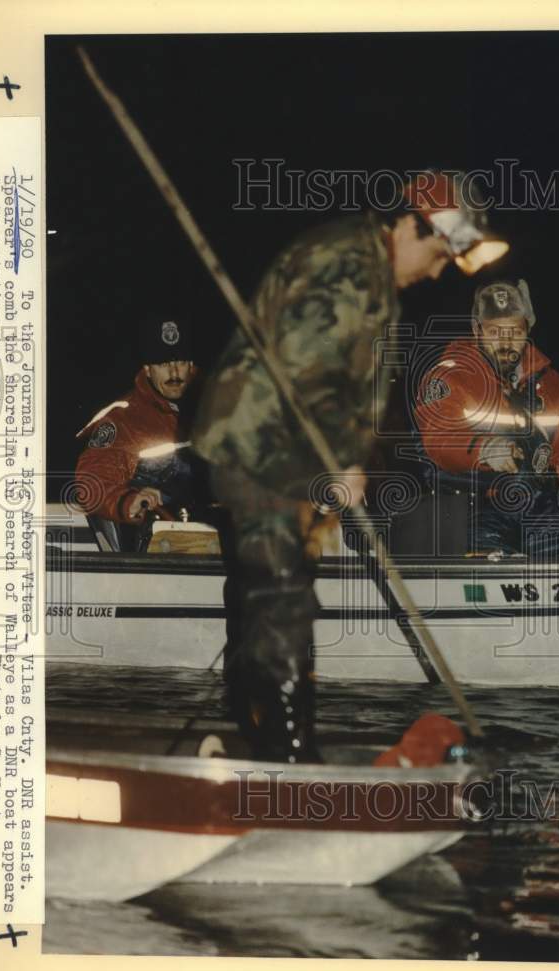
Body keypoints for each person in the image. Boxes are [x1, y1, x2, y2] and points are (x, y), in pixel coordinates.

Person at [191, 171, 508, 763]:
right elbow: (312, 370)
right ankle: (289, 762)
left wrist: (344, 464)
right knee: (281, 597)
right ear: (414, 224)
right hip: (260, 448)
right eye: (440, 254)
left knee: (273, 596)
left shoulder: (367, 268)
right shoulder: (349, 264)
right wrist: (338, 463)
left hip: (279, 455)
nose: (438, 271)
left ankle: (258, 743)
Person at [415, 278, 559, 558]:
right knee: (488, 567)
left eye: (514, 331)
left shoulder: (550, 384)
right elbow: (437, 438)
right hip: (473, 510)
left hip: (535, 506)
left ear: (528, 329)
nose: (505, 341)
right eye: (495, 332)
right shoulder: (449, 376)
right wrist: (482, 449)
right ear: (476, 330)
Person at [75, 316, 202, 551]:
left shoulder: (217, 408)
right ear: (147, 368)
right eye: (163, 363)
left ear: (191, 365)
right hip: (156, 552)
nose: (174, 372)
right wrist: (128, 501)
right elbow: (91, 483)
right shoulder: (124, 420)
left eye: (181, 362)